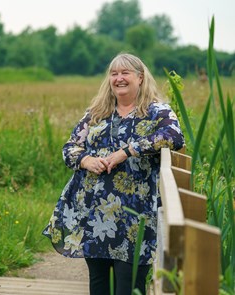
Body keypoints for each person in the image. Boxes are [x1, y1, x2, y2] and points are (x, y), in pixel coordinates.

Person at [42, 53, 184, 295]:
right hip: (95, 212)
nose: (119, 78)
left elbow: (174, 137)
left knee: (129, 283)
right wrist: (86, 160)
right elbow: (70, 148)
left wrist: (127, 152)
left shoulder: (157, 111)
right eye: (114, 73)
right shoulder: (96, 112)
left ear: (140, 78)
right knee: (98, 281)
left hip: (135, 214)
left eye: (125, 73)